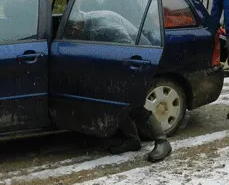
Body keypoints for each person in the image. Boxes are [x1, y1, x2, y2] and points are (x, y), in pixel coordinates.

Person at [67, 9, 172, 162]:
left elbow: (126, 46)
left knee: (134, 104)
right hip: (124, 62)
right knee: (116, 103)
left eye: (74, 29)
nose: (74, 32)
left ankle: (163, 141)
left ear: (79, 23)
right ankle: (132, 140)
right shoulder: (87, 23)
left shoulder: (102, 25)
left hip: (137, 60)